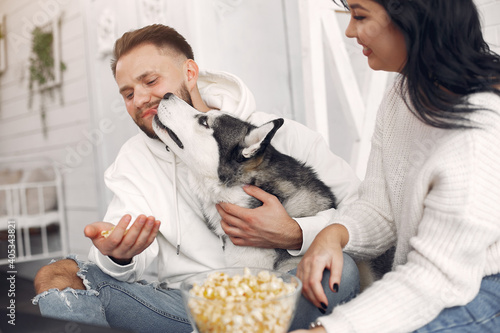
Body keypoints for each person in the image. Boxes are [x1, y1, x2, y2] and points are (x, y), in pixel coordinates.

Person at [32, 24, 361, 332]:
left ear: (190, 72)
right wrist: (119, 253)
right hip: (187, 308)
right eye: (128, 93)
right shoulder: (133, 160)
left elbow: (364, 214)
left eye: (150, 81)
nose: (141, 99)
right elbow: (122, 254)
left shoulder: (278, 134)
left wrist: (295, 233)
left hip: (277, 299)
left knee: (341, 269)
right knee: (57, 277)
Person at [291, 0, 500, 332]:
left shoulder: (478, 134)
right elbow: (381, 206)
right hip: (430, 278)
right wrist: (334, 233)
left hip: (483, 287)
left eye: (360, 16)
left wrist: (332, 329)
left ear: (413, 19)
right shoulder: (403, 93)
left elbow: (433, 278)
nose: (349, 31)